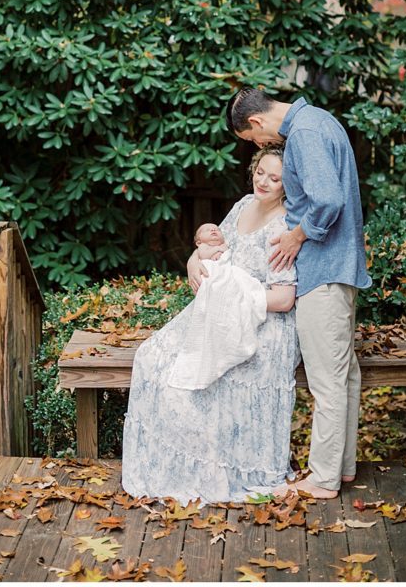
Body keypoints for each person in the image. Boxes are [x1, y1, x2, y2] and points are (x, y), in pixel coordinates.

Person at [214, 86, 372, 499]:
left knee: (327, 381)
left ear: (256, 123)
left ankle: (322, 479)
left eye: (254, 140)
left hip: (324, 271)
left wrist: (297, 237)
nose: (263, 147)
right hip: (338, 266)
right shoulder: (317, 119)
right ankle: (343, 468)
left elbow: (328, 200)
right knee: (344, 374)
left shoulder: (303, 133)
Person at [121, 147, 300, 504]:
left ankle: (219, 468)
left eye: (275, 178)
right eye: (260, 172)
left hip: (263, 322)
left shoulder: (284, 225)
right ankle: (180, 467)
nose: (264, 181)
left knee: (210, 376)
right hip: (217, 313)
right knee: (152, 357)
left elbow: (284, 298)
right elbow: (210, 247)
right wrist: (192, 263)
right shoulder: (243, 205)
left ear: (288, 183)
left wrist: (236, 296)